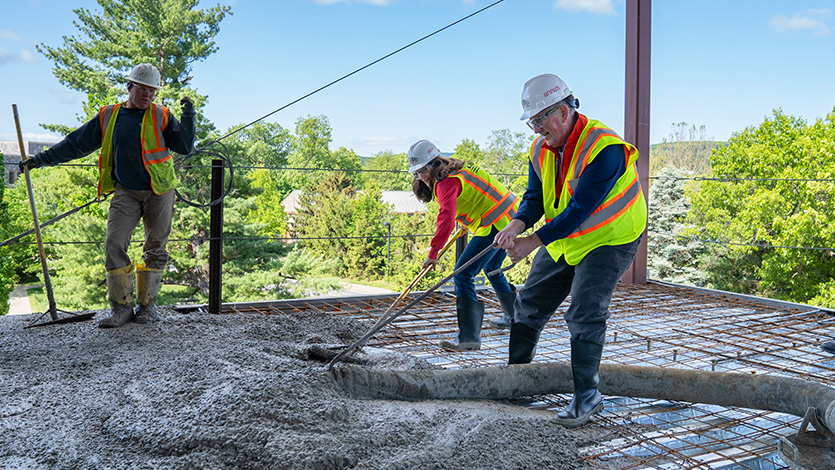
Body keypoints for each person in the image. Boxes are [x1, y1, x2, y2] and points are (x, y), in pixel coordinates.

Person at [494, 74, 647, 427]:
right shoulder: (540, 150)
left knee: (585, 310)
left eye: (539, 120)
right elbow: (535, 199)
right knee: (528, 303)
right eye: (532, 122)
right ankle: (515, 381)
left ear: (562, 112)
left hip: (611, 236)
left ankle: (588, 398)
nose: (536, 130)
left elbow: (580, 209)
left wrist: (532, 242)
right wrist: (516, 226)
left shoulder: (604, 148)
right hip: (567, 237)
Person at [19, 63, 196, 328]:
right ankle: (121, 309)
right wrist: (40, 160)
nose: (148, 95)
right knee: (114, 244)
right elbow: (75, 144)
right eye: (143, 89)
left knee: (156, 248)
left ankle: (147, 307)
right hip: (126, 190)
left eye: (153, 91)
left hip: (160, 190)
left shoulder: (162, 115)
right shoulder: (109, 116)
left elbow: (184, 147)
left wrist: (189, 116)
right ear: (129, 86)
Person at [408, 139, 519, 350]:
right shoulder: (456, 169)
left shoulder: (445, 183)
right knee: (492, 267)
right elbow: (473, 198)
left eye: (421, 171)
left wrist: (433, 253)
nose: (420, 177)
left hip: (497, 221)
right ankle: (516, 318)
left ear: (432, 164)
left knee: (462, 273)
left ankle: (469, 338)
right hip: (510, 214)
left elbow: (446, 218)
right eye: (416, 173)